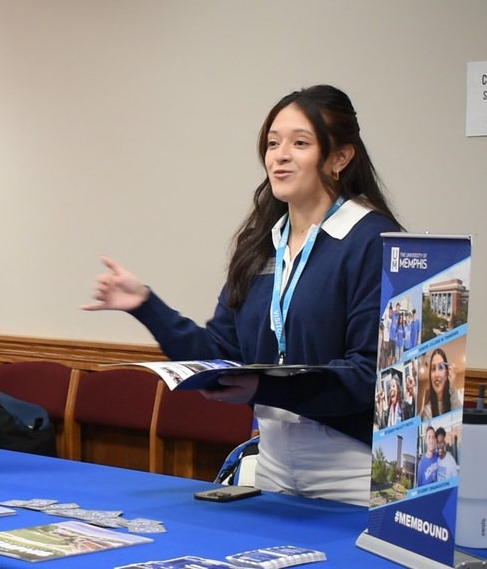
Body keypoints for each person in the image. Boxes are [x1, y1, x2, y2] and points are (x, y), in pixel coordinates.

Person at [83, 85, 402, 506]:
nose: (279, 155)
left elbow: (367, 377)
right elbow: (220, 353)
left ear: (341, 157)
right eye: (272, 143)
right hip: (271, 462)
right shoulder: (261, 245)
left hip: (352, 467)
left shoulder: (374, 241)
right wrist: (146, 305)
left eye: (300, 143)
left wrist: (260, 387)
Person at [420, 348, 462, 420]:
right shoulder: (427, 411)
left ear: (447, 373)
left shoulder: (454, 401)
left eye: (440, 367)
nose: (436, 374)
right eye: (433, 369)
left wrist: (452, 388)